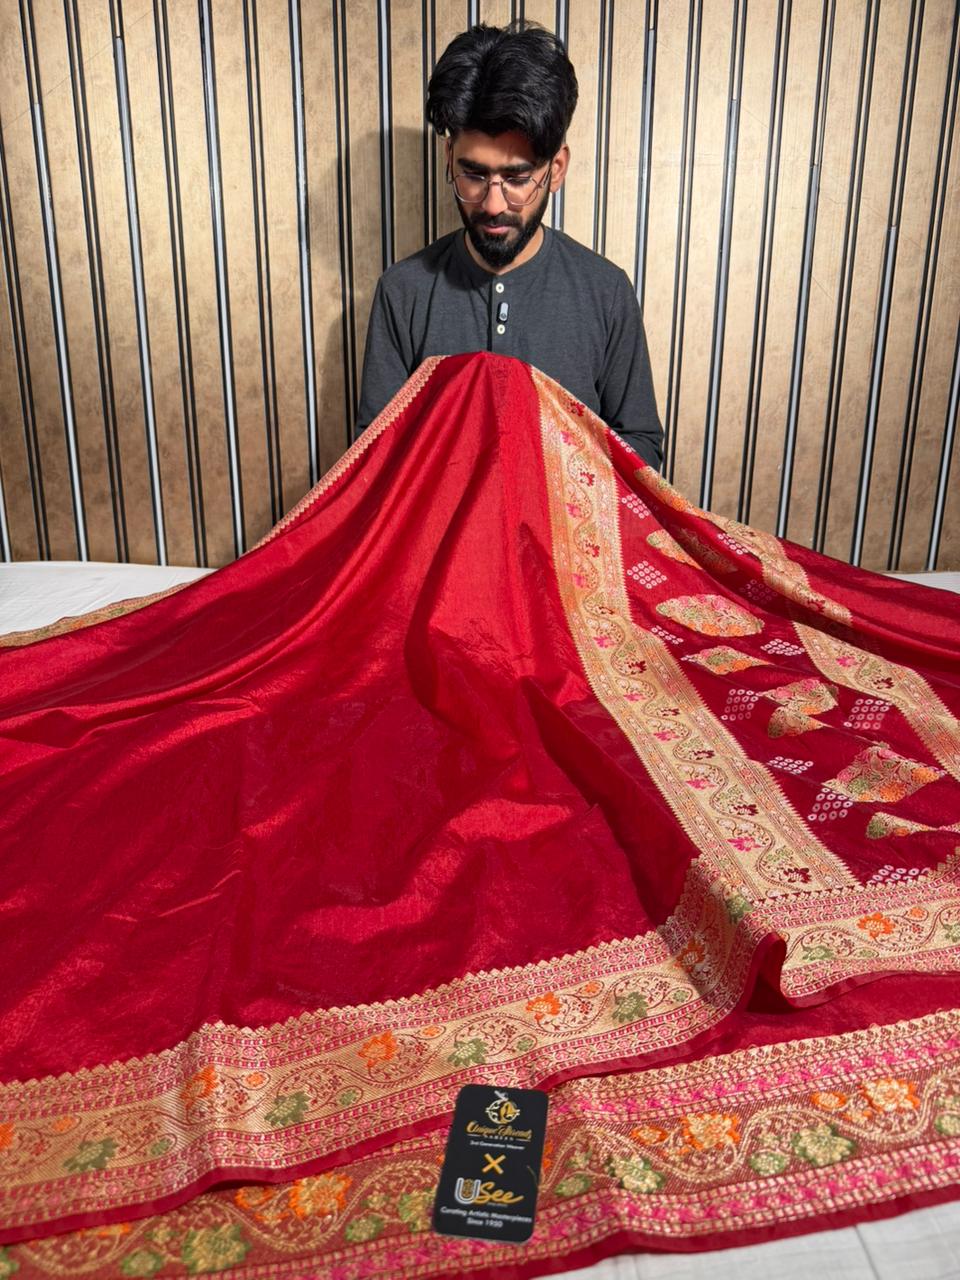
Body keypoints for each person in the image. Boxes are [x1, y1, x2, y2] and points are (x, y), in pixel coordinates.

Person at [355, 22, 664, 469]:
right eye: (474, 175)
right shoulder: (403, 292)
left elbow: (643, 450)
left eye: (518, 178)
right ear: (449, 160)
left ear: (556, 169)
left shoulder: (606, 292)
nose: (493, 204)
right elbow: (373, 459)